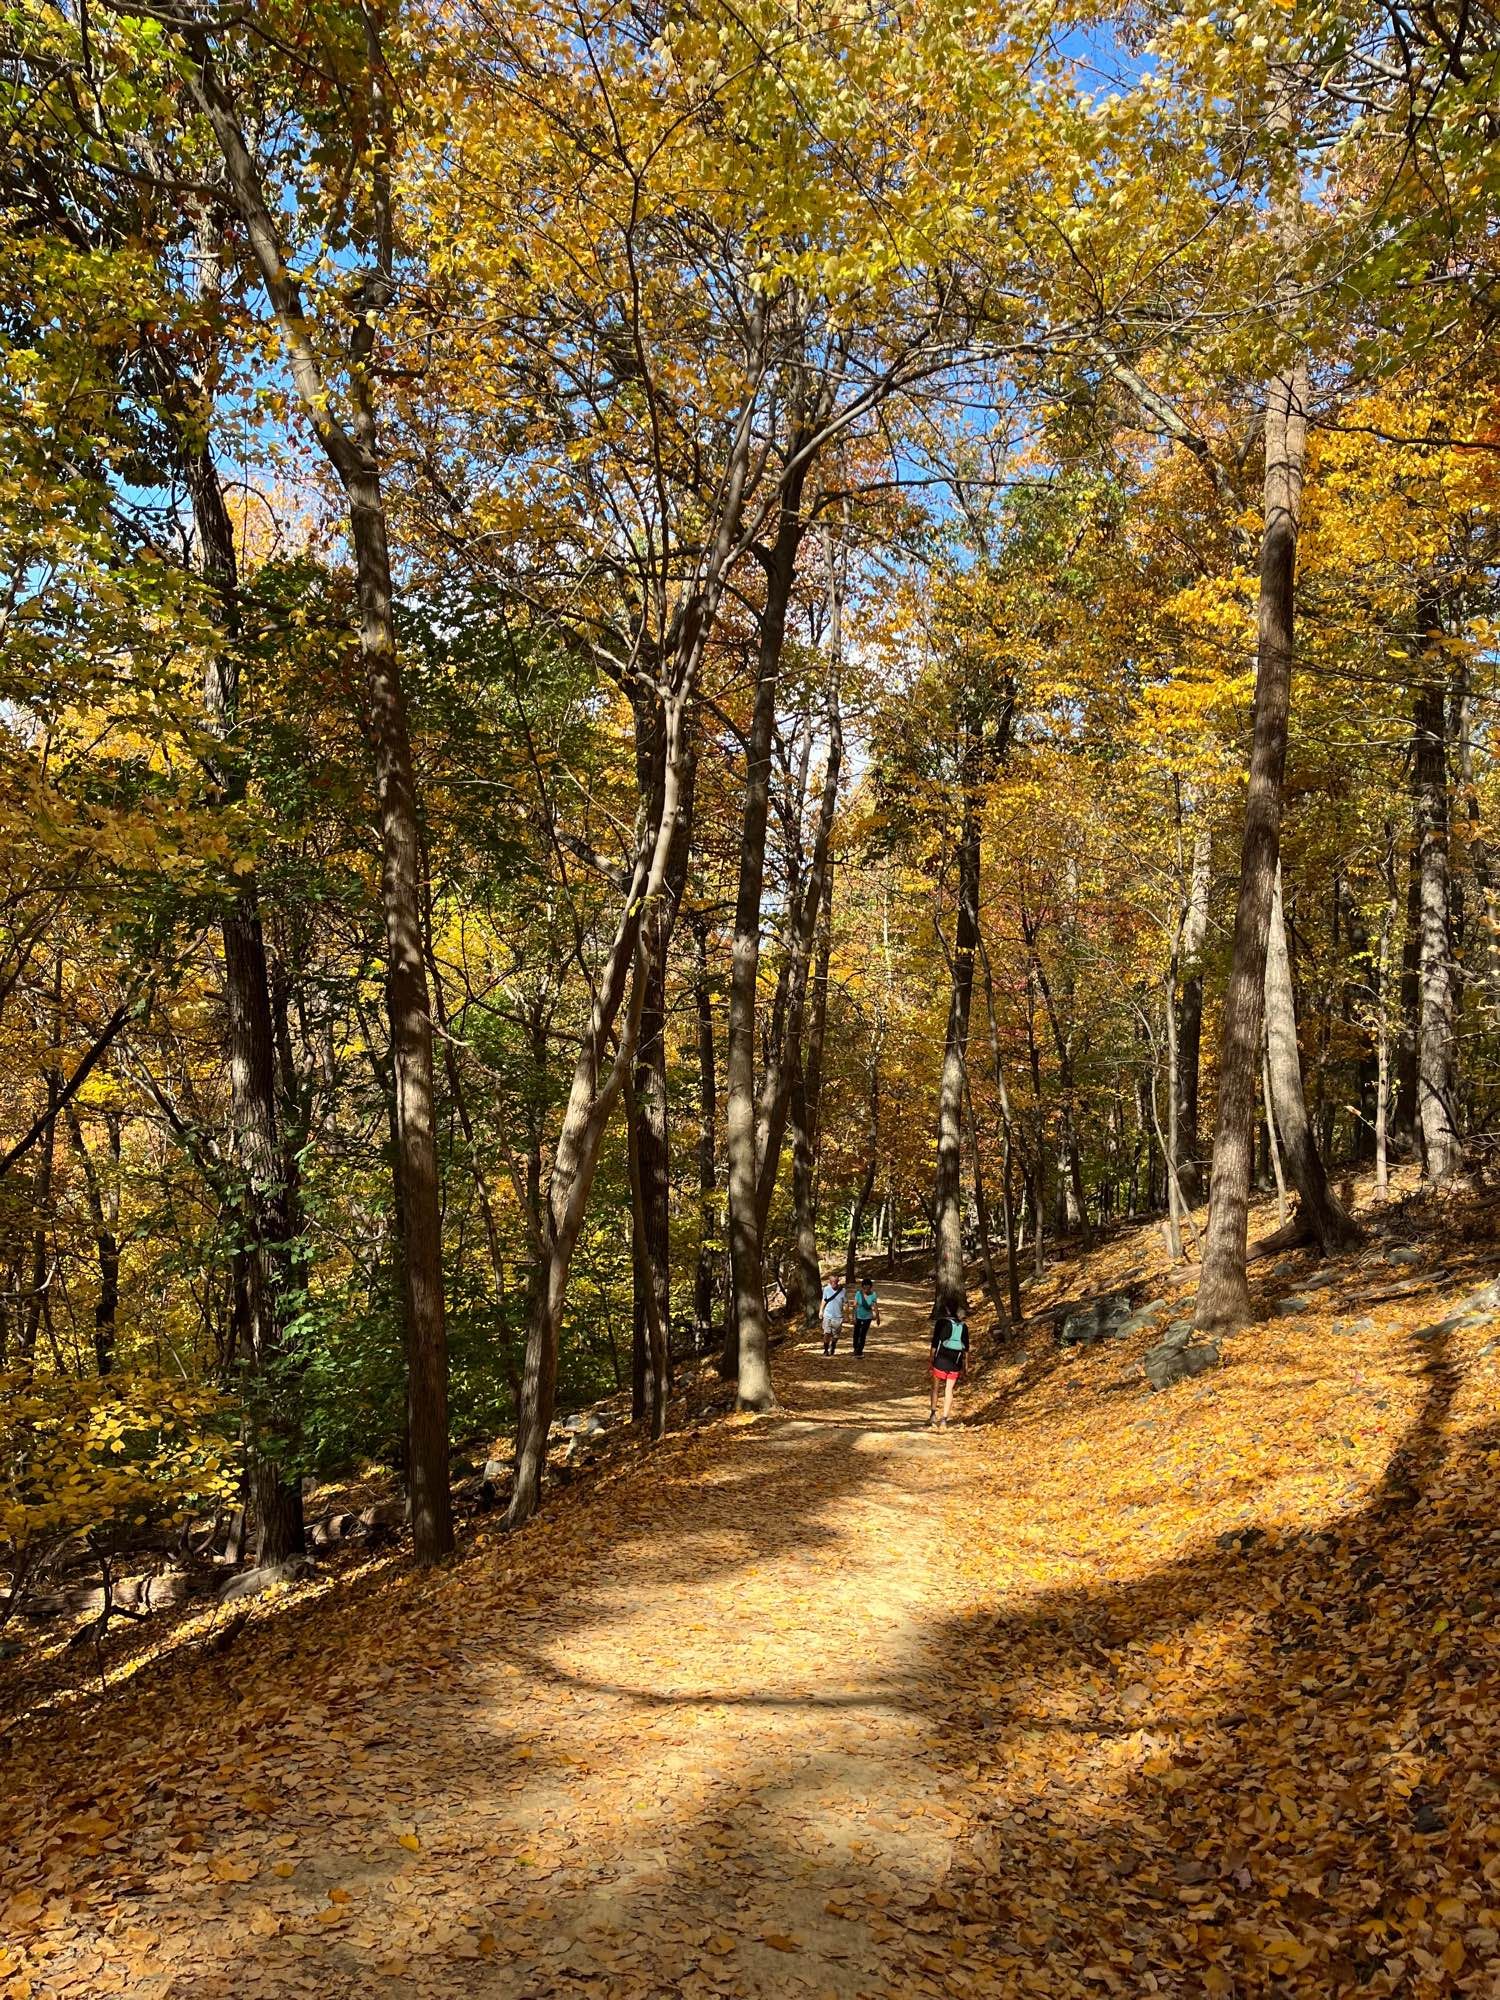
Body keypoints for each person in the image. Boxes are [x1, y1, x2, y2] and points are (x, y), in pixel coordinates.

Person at [929, 1302, 969, 1427]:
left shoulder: (941, 1323)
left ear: (947, 1310)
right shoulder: (964, 1327)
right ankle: (944, 1419)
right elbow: (966, 1349)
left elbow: (935, 1343)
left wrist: (931, 1359)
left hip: (940, 1360)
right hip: (955, 1362)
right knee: (949, 1390)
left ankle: (933, 1414)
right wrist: (966, 1366)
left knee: (935, 1387)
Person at [850, 1274, 880, 1357]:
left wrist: (878, 1317)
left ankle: (859, 1351)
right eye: (865, 1287)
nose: (866, 1289)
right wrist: (853, 1317)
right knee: (856, 1333)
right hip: (858, 1316)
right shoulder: (858, 1294)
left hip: (867, 1317)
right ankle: (855, 1348)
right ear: (862, 1287)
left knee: (863, 1334)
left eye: (868, 1287)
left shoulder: (873, 1294)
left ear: (871, 1287)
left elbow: (875, 1306)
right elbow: (854, 1306)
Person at [820, 1274, 846, 1355]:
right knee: (826, 1333)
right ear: (829, 1282)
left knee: (835, 1335)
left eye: (835, 1282)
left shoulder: (843, 1290)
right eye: (831, 1282)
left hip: (838, 1316)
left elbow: (846, 1303)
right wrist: (821, 1311)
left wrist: (847, 1315)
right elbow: (824, 1300)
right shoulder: (826, 1289)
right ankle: (826, 1350)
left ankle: (833, 1346)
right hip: (827, 1315)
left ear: (838, 1282)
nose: (833, 1283)